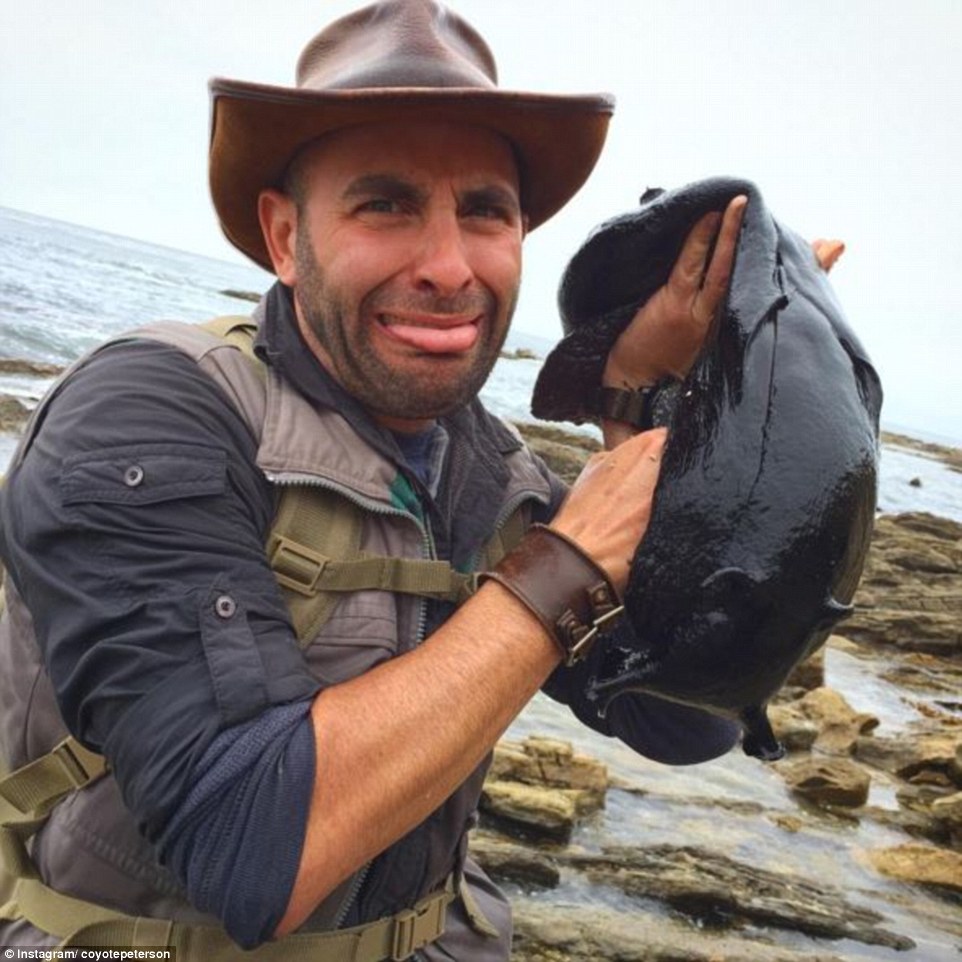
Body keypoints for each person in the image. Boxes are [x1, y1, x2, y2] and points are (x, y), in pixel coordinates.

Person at [0, 2, 763, 959]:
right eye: (386, 204)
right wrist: (565, 566)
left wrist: (656, 409)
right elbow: (245, 843)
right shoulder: (148, 414)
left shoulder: (498, 475)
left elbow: (683, 717)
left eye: (485, 210)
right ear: (284, 237)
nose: (449, 266)